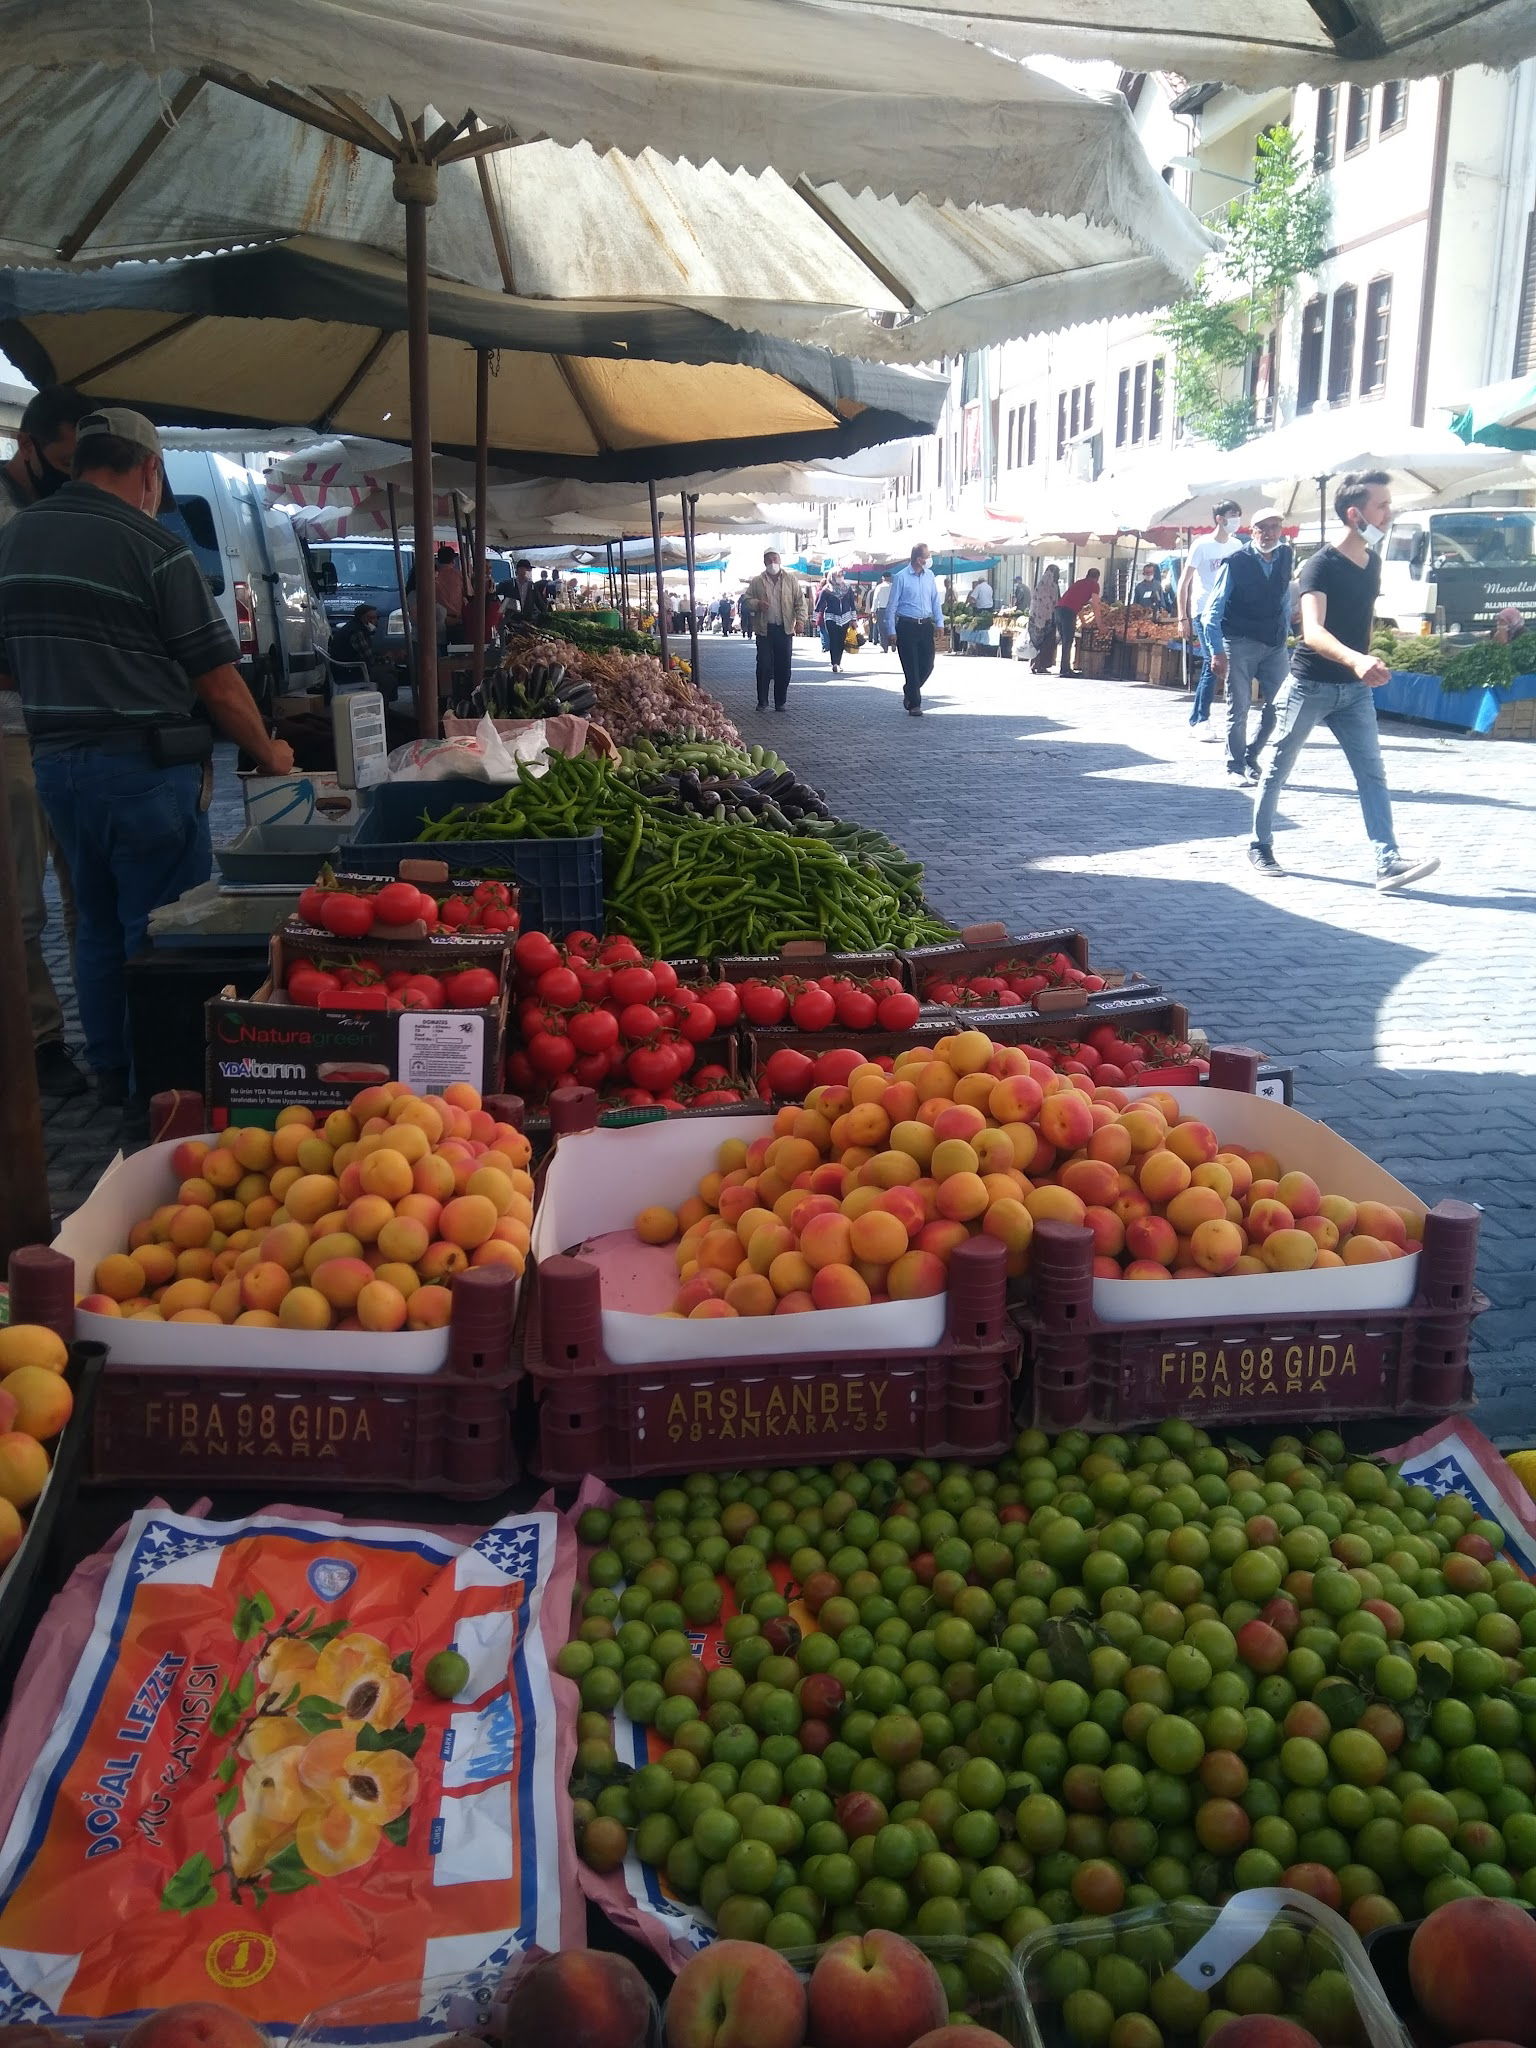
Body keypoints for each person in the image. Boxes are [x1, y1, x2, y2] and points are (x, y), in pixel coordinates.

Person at [0, 407, 294, 1104]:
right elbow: (219, 683)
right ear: (149, 469)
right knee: (163, 932)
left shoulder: (15, 541)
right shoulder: (154, 546)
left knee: (96, 926)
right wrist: (270, 752)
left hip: (57, 767)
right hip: (143, 770)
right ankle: (160, 1089)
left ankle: (109, 1067)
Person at [1249, 470, 1438, 892]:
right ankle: (1260, 844)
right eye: (1382, 506)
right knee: (1279, 768)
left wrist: (1369, 659)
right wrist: (1356, 660)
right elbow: (1311, 632)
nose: (1389, 512)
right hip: (1309, 686)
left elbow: (1362, 621)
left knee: (1372, 774)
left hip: (1354, 692)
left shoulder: (1371, 563)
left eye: (1389, 504)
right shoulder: (1320, 565)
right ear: (1355, 514)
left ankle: (1387, 861)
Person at [0, 383, 95, 1099]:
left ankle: (101, 1033)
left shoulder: (75, 512)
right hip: (13, 727)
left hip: (82, 726)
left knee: (86, 888)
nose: (69, 476)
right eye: (60, 462)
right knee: (21, 899)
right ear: (26, 446)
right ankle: (39, 1039)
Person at [1204, 507, 1294, 787]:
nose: (1268, 533)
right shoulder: (1236, 562)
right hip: (1240, 641)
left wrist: (1286, 631)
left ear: (1281, 530)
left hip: (1274, 643)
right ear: (1252, 531)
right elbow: (1212, 612)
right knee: (1239, 707)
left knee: (1281, 705)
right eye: (1262, 528)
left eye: (1274, 527)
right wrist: (1217, 651)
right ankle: (1235, 766)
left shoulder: (1285, 556)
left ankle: (1251, 754)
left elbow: (1283, 598)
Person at [1178, 501, 1243, 733]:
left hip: (1230, 611)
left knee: (1225, 663)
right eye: (1232, 515)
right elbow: (1183, 583)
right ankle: (1201, 720)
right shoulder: (1202, 545)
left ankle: (1200, 717)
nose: (1236, 519)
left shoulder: (1237, 546)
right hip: (1204, 611)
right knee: (1211, 662)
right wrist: (1182, 617)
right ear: (1219, 518)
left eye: (1238, 515)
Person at [884, 542, 944, 715]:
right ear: (919, 559)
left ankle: (910, 689)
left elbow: (935, 600)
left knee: (928, 664)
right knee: (911, 666)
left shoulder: (930, 576)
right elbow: (892, 605)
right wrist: (891, 631)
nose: (929, 559)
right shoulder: (901, 577)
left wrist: (939, 622)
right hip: (906, 626)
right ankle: (914, 704)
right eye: (927, 556)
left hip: (925, 625)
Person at [743, 550, 804, 712]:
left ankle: (780, 701)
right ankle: (762, 701)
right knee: (764, 665)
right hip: (764, 630)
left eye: (774, 559)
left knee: (784, 666)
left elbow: (799, 602)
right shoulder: (757, 581)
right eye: (768, 560)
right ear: (764, 562)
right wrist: (757, 604)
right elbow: (746, 600)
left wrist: (801, 620)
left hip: (784, 630)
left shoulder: (791, 579)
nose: (772, 562)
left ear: (780, 560)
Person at [327, 602, 390, 692]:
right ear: (364, 618)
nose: (376, 621)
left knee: (388, 670)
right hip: (350, 672)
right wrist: (387, 659)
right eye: (372, 618)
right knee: (387, 676)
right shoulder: (357, 632)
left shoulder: (352, 627)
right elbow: (369, 658)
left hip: (345, 669)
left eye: (377, 617)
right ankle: (383, 703)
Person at [1055, 568, 1100, 677]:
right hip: (1067, 611)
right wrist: (1100, 624)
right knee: (1068, 640)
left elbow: (1077, 604)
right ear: (1097, 578)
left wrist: (1083, 621)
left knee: (1065, 640)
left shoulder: (1079, 583)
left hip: (1058, 609)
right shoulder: (1094, 585)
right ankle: (1065, 669)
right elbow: (1095, 604)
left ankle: (1064, 668)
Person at [816, 568, 858, 676]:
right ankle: (834, 663)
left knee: (841, 641)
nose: (840, 577)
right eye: (838, 575)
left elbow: (852, 604)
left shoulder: (847, 588)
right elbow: (819, 605)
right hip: (831, 617)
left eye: (842, 575)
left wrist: (854, 619)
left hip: (845, 618)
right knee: (834, 640)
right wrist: (814, 618)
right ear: (832, 576)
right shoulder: (826, 589)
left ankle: (838, 662)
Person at [1028, 566, 1060, 672]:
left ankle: (1035, 663)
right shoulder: (1052, 586)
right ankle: (1040, 664)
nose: (1058, 575)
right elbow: (1054, 602)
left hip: (1036, 617)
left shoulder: (1040, 584)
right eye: (1057, 573)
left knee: (1037, 641)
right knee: (1046, 642)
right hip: (1048, 618)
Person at [503, 558, 552, 626]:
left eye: (530, 570)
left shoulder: (532, 585)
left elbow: (539, 603)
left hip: (527, 623)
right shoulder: (509, 584)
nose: (529, 571)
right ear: (519, 570)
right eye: (527, 569)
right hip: (512, 621)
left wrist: (547, 614)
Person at [433, 544, 465, 641]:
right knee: (458, 653)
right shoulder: (460, 576)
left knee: (438, 653)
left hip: (436, 622)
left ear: (438, 560)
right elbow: (469, 595)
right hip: (456, 621)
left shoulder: (432, 577)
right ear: (453, 560)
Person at [871, 574, 893, 649]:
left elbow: (875, 599)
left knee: (882, 628)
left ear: (883, 578)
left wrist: (873, 611)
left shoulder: (879, 587)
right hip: (892, 610)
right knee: (892, 627)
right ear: (890, 578)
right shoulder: (894, 587)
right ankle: (893, 643)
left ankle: (884, 646)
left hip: (882, 610)